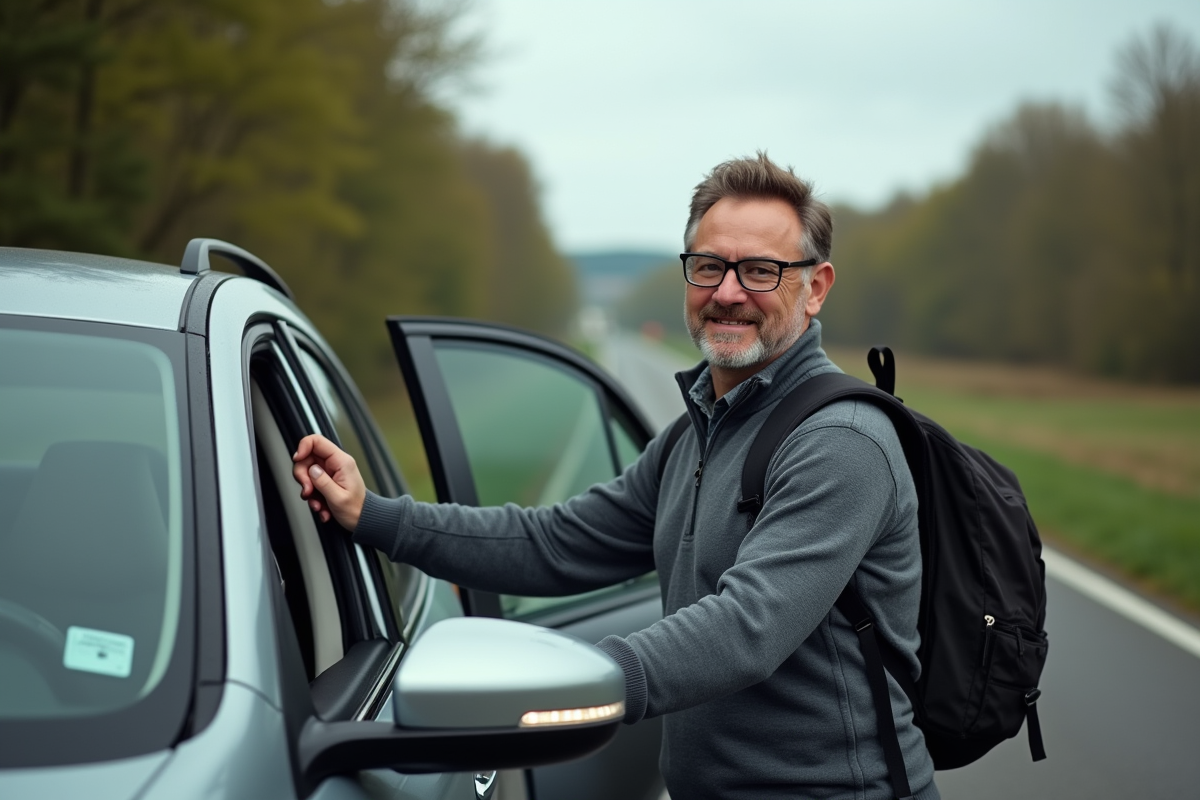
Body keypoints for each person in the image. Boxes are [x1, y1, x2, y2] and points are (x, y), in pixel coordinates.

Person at [293, 153, 938, 800]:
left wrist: (583, 678)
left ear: (816, 286)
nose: (728, 292)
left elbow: (748, 627)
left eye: (761, 271)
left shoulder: (842, 441)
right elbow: (553, 544)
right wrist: (372, 514)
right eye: (709, 266)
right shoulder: (696, 435)